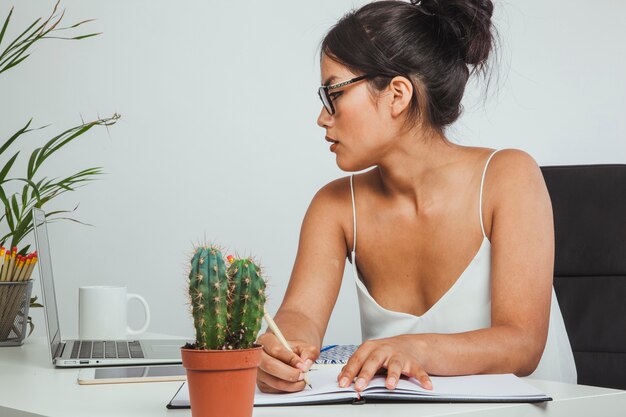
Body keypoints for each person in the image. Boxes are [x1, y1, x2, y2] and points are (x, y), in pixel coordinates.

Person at [256, 0, 577, 394]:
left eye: (333, 94)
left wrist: (413, 349)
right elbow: (300, 315)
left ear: (397, 94)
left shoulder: (508, 177)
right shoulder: (334, 207)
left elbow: (522, 345)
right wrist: (283, 348)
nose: (322, 117)